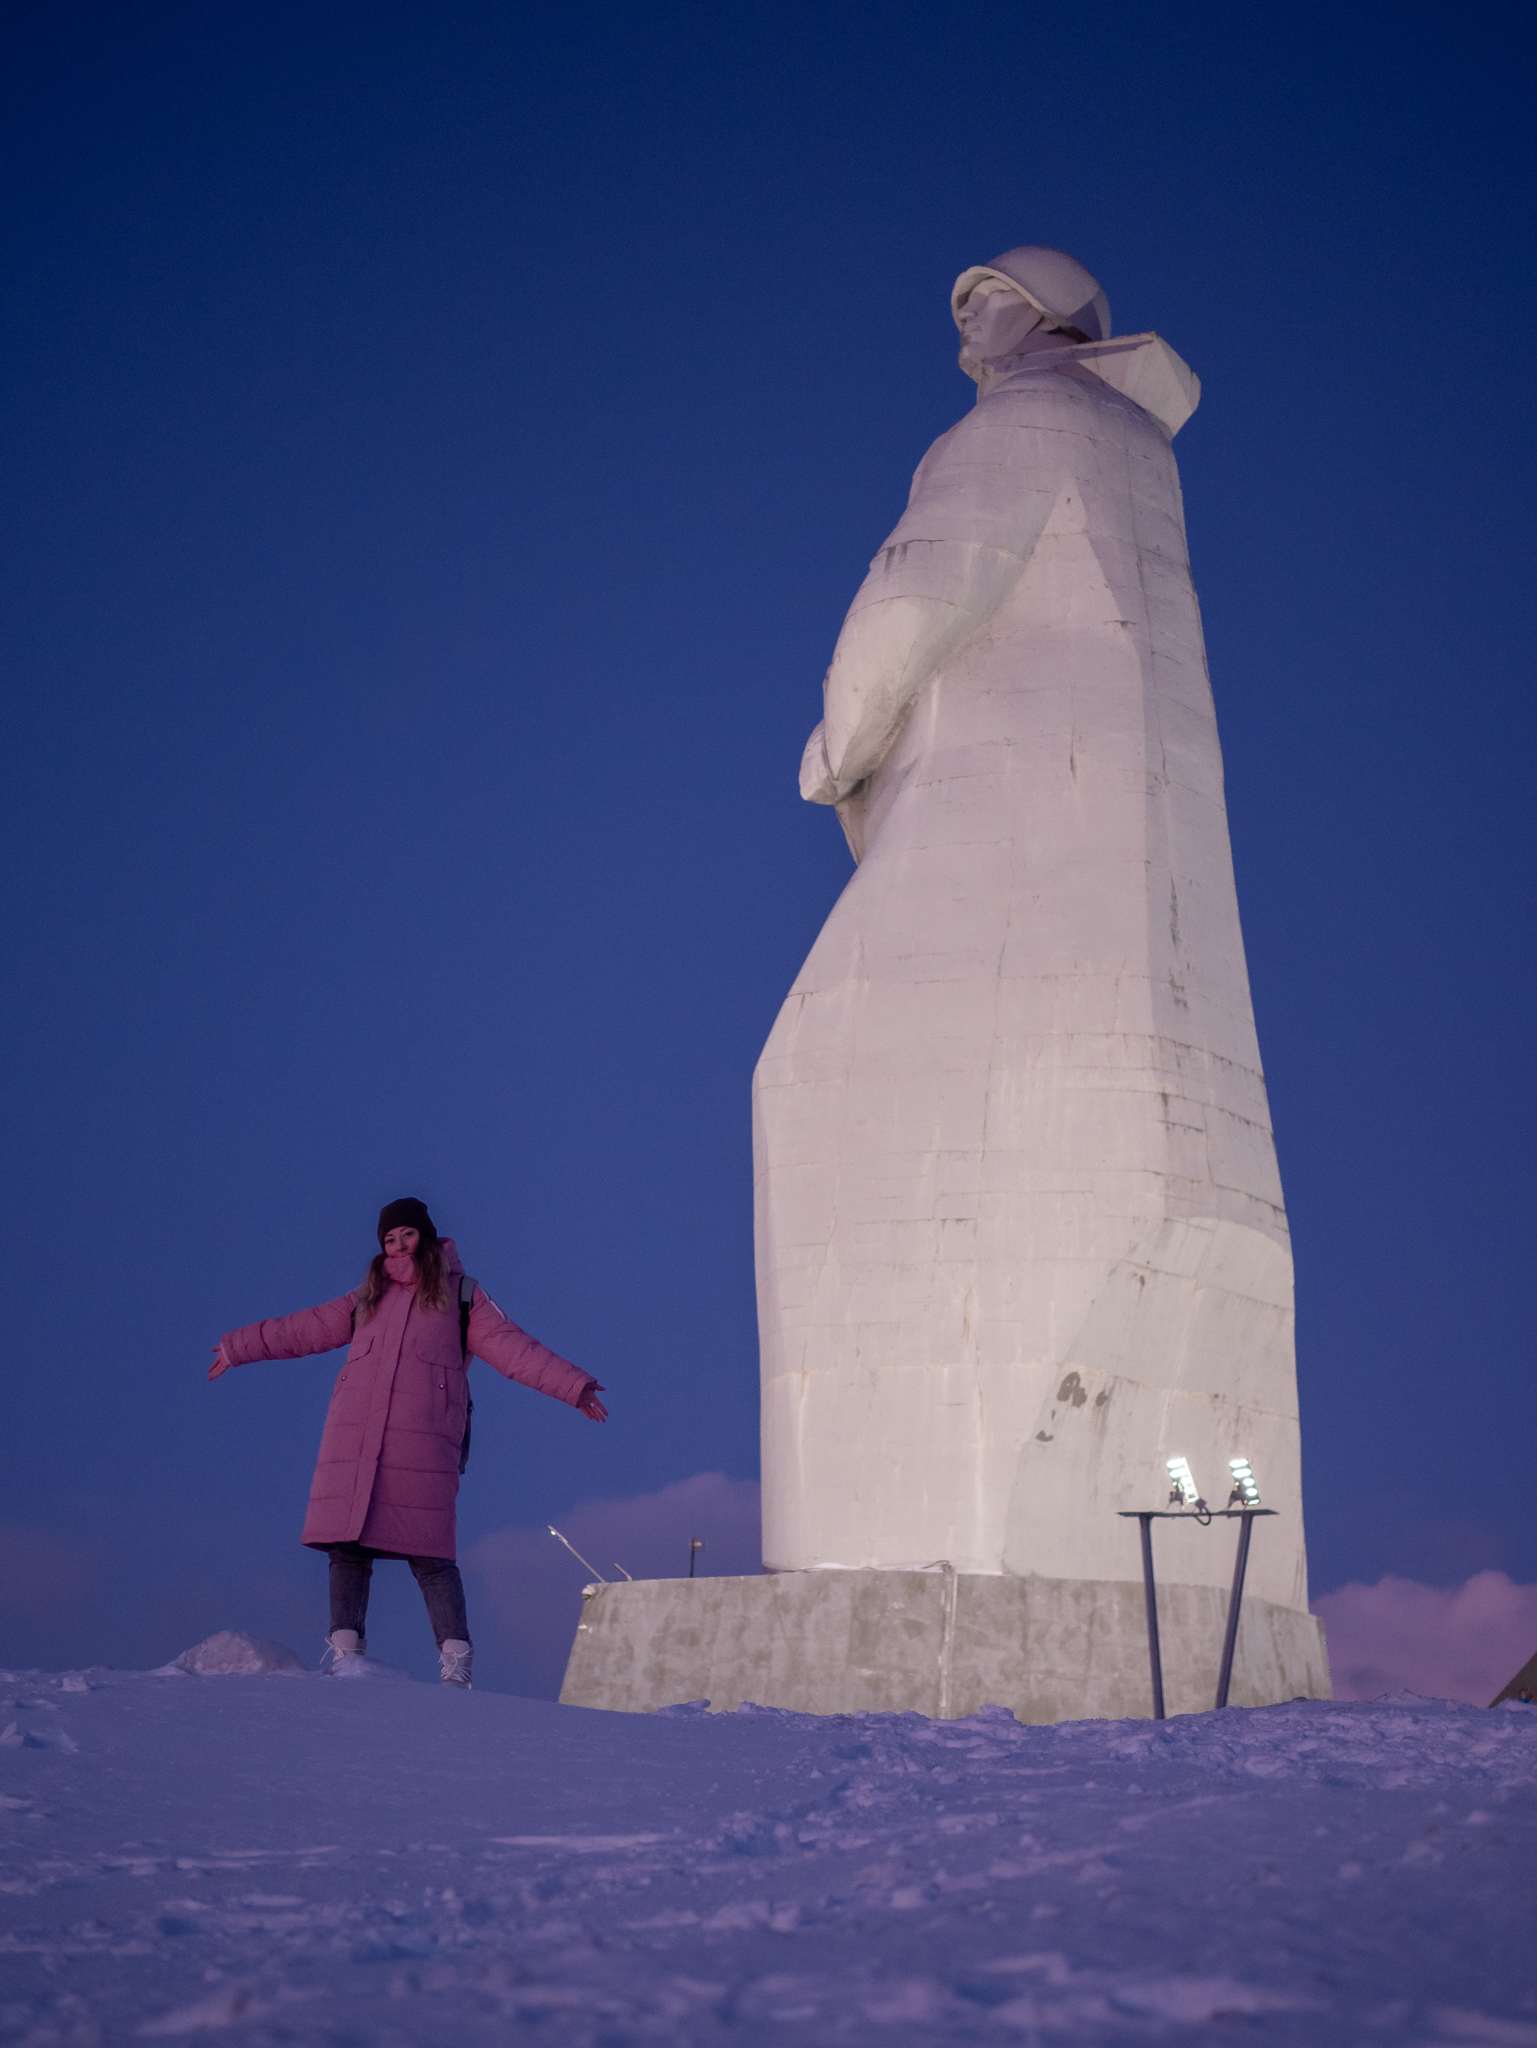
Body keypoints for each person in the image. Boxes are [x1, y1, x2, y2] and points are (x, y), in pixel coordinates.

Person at [209, 1197, 606, 1687]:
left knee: (432, 1554)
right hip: (354, 1441)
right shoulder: (367, 1298)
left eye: (406, 1235)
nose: (397, 1246)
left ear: (427, 1235)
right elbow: (303, 1328)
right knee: (347, 1548)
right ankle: (345, 1655)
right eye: (389, 1239)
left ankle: (455, 1662)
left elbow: (512, 1346)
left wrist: (573, 1385)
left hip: (421, 1444)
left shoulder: (461, 1295)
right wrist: (238, 1346)